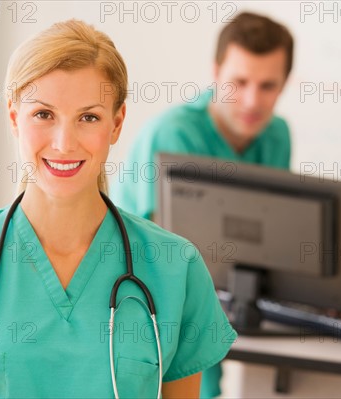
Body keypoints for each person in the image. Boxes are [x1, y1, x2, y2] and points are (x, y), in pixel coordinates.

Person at [0, 20, 236, 398]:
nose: (64, 143)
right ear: (14, 117)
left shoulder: (175, 268)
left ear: (116, 124)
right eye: (44, 114)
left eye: (88, 117)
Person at [111, 12, 294, 398]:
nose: (251, 100)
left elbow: (270, 241)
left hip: (218, 311)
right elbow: (163, 257)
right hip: (149, 312)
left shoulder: (277, 136)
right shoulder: (174, 132)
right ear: (215, 72)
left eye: (267, 86)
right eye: (239, 82)